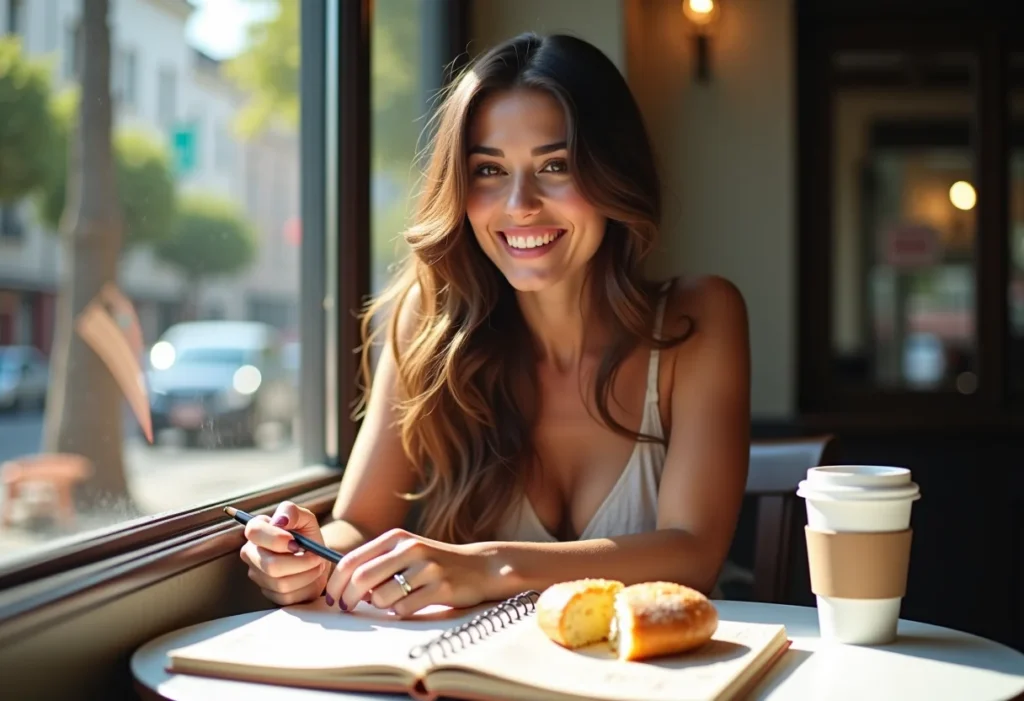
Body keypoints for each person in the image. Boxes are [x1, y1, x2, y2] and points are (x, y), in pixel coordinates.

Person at [239, 32, 750, 617]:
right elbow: (358, 524)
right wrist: (306, 553)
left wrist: (490, 566)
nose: (519, 204)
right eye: (488, 170)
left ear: (613, 176)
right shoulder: (425, 326)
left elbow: (693, 554)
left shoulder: (701, 318)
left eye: (555, 165)